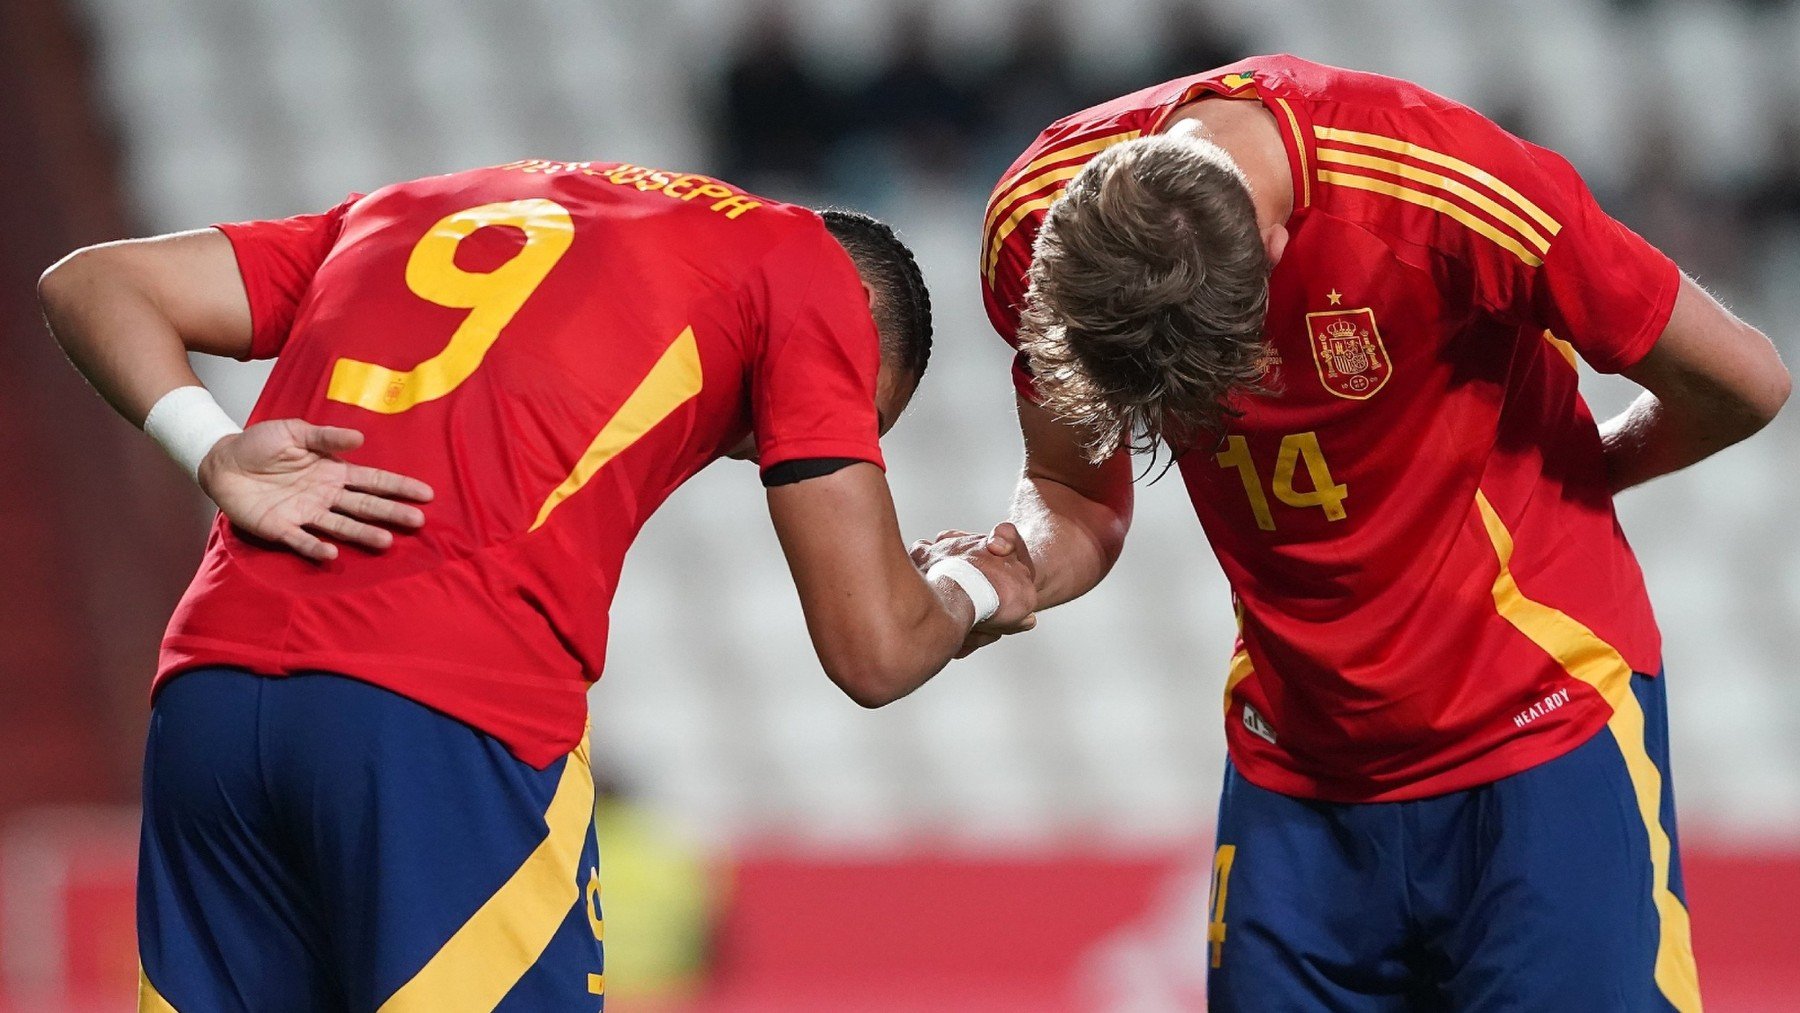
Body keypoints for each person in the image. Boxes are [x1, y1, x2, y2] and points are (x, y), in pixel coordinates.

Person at [39, 157, 1036, 1012]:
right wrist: (969, 589)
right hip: (443, 713)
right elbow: (874, 646)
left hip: (211, 697)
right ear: (858, 331)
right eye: (833, 419)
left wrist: (212, 448)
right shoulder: (806, 267)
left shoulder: (420, 203)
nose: (758, 448)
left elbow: (96, 281)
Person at [920, 55, 1789, 1010]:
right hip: (1294, 771)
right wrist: (1011, 572)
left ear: (1283, 251)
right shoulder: (1037, 228)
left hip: (1541, 738)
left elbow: (1746, 381)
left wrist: (1595, 461)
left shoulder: (1453, 185)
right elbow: (1069, 489)